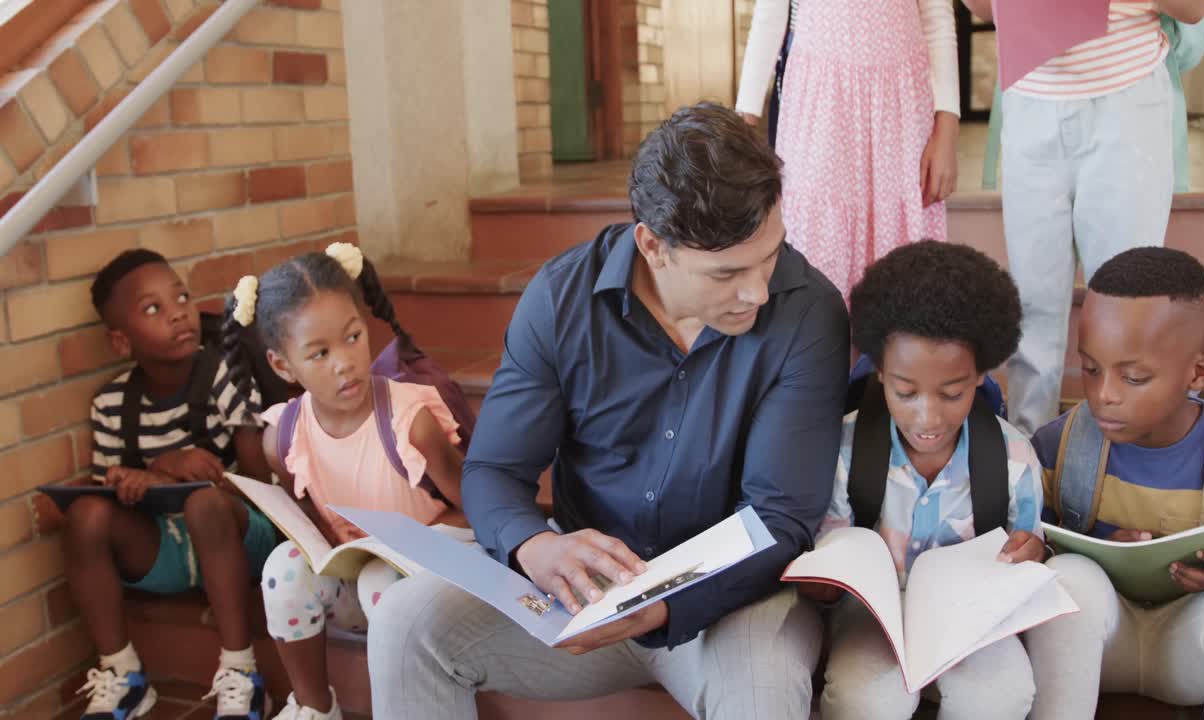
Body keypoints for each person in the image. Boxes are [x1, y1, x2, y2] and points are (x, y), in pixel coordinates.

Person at [366, 102, 850, 720]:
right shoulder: (562, 298)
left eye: (770, 256)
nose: (758, 291)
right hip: (585, 594)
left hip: (731, 601)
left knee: (762, 696)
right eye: (727, 273)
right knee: (404, 623)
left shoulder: (808, 312)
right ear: (653, 245)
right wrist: (534, 547)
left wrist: (667, 602)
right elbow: (492, 472)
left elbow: (779, 518)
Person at [1024, 247, 1204, 719]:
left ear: (1198, 374)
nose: (1104, 396)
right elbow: (1025, 556)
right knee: (1073, 579)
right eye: (1091, 368)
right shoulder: (1058, 447)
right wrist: (1084, 553)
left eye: (1134, 377)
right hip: (1099, 649)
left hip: (1201, 650)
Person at [221, 243, 472, 720]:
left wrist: (412, 547)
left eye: (353, 338)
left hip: (430, 584)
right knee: (283, 569)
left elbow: (475, 508)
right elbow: (321, 525)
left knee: (383, 581)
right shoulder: (285, 436)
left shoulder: (409, 420)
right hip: (357, 584)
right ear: (282, 365)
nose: (343, 362)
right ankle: (315, 707)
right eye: (318, 353)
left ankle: (405, 705)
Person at [814, 241, 1045, 720]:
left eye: (952, 392)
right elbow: (828, 566)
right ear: (879, 371)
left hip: (970, 616)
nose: (928, 416)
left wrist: (1030, 554)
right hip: (870, 618)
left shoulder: (1014, 458)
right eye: (905, 391)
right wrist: (822, 582)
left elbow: (1030, 549)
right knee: (867, 698)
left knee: (1001, 694)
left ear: (981, 375)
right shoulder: (842, 450)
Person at [959, 0, 1204, 434]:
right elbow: (983, 7)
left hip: (1126, 95)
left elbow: (1191, 9)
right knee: (1032, 300)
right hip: (1031, 94)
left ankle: (1124, 458)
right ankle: (1031, 457)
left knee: (1129, 301)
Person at [68, 249, 275, 720]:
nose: (179, 312)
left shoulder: (227, 376)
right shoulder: (112, 403)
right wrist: (144, 475)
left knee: (204, 505)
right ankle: (123, 675)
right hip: (167, 550)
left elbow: (264, 488)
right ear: (121, 342)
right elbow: (111, 495)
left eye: (180, 296)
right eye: (153, 308)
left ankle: (242, 673)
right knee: (85, 514)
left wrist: (199, 475)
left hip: (243, 543)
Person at [736, 0, 960, 296]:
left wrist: (947, 126)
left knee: (901, 255)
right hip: (820, 99)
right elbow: (769, 17)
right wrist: (742, 127)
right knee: (816, 243)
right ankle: (820, 339)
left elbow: (937, 17)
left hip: (900, 102)